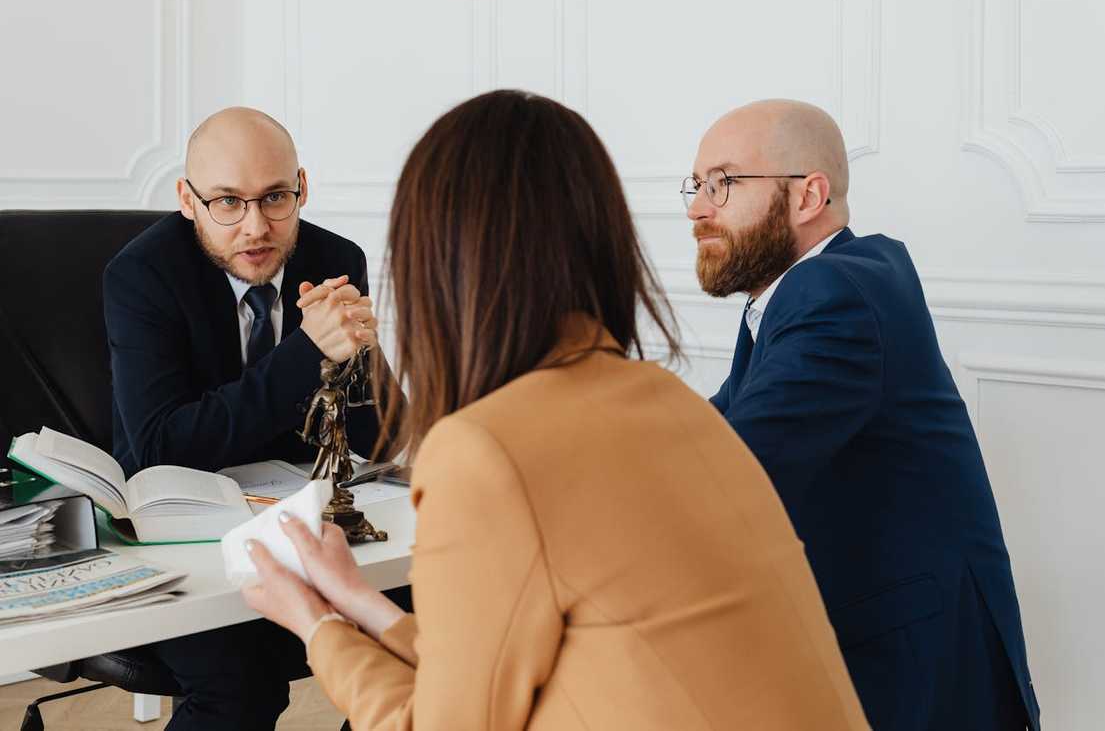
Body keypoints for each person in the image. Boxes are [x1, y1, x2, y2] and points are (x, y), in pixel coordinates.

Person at [241, 90, 869, 730]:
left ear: (439, 260)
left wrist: (317, 626)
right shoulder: (670, 402)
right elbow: (495, 674)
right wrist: (357, 601)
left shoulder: (486, 450)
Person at [686, 99, 1040, 730]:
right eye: (696, 186)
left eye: (723, 183)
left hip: (915, 672)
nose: (697, 207)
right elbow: (717, 422)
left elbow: (734, 468)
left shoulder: (834, 292)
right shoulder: (809, 290)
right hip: (889, 645)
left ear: (807, 195)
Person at [103, 106, 405, 730]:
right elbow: (163, 444)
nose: (255, 227)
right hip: (175, 529)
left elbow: (377, 435)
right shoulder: (140, 276)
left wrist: (366, 358)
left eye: (274, 198)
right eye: (227, 203)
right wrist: (306, 352)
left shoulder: (333, 255)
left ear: (302, 187)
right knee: (241, 688)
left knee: (426, 639)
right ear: (188, 199)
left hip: (297, 515)